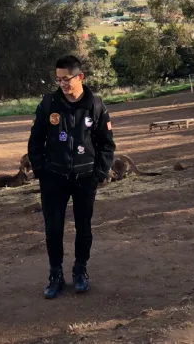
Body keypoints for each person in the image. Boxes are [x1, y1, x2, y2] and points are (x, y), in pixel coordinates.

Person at [28, 54, 115, 299]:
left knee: (83, 227)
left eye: (66, 79)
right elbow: (35, 142)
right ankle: (55, 274)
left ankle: (80, 270)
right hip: (53, 178)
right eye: (58, 80)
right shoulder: (48, 104)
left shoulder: (95, 105)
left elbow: (106, 144)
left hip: (85, 178)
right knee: (53, 229)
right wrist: (41, 172)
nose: (62, 84)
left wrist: (99, 173)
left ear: (80, 77)